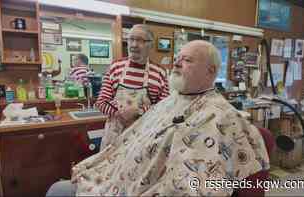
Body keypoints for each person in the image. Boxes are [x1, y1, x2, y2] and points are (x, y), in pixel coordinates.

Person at [46, 40, 269, 196]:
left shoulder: (221, 114)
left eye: (187, 60)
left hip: (147, 186)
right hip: (119, 176)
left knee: (58, 191)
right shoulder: (171, 100)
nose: (176, 63)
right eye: (177, 59)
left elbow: (200, 179)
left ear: (211, 71)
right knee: (59, 188)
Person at [95, 24, 169, 150]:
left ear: (150, 45)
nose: (134, 44)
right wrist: (121, 114)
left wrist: (137, 112)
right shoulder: (115, 67)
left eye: (140, 40)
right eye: (131, 39)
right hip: (113, 138)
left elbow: (164, 108)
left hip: (142, 140)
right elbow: (101, 102)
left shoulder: (160, 73)